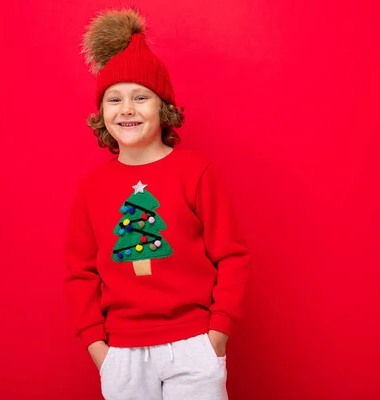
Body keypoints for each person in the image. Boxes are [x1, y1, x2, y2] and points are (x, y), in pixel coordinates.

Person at [63, 7, 252, 400]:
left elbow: (232, 255)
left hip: (194, 342)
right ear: (102, 113)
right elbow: (79, 272)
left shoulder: (197, 172)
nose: (127, 109)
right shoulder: (91, 187)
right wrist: (98, 348)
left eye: (140, 97)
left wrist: (217, 333)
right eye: (114, 99)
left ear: (163, 107)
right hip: (122, 350)